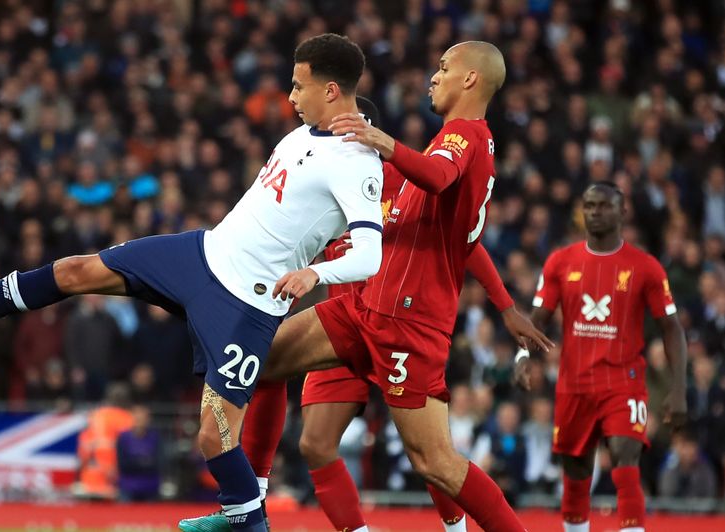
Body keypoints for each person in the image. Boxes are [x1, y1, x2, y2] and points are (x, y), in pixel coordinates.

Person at [0, 33, 385, 532]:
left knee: (214, 437)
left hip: (245, 304)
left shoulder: (356, 162)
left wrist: (314, 272)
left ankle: (248, 519)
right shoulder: (302, 134)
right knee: (72, 271)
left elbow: (369, 254)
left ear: (330, 90)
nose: (290, 96)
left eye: (298, 85)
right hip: (200, 254)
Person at [183, 41, 547, 532]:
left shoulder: (462, 137)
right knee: (260, 365)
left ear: (469, 79)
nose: (433, 76)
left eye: (443, 68)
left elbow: (441, 184)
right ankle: (252, 505)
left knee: (434, 461)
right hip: (361, 308)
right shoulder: (435, 146)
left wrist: (383, 142)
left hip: (406, 320)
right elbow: (458, 233)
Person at [515, 182, 688, 532]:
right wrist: (522, 355)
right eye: (589, 205)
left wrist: (678, 388)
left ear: (622, 212)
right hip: (574, 385)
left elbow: (672, 328)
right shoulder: (560, 262)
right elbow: (538, 319)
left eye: (603, 206)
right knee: (576, 472)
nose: (595, 212)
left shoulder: (646, 267)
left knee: (625, 458)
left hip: (623, 382)